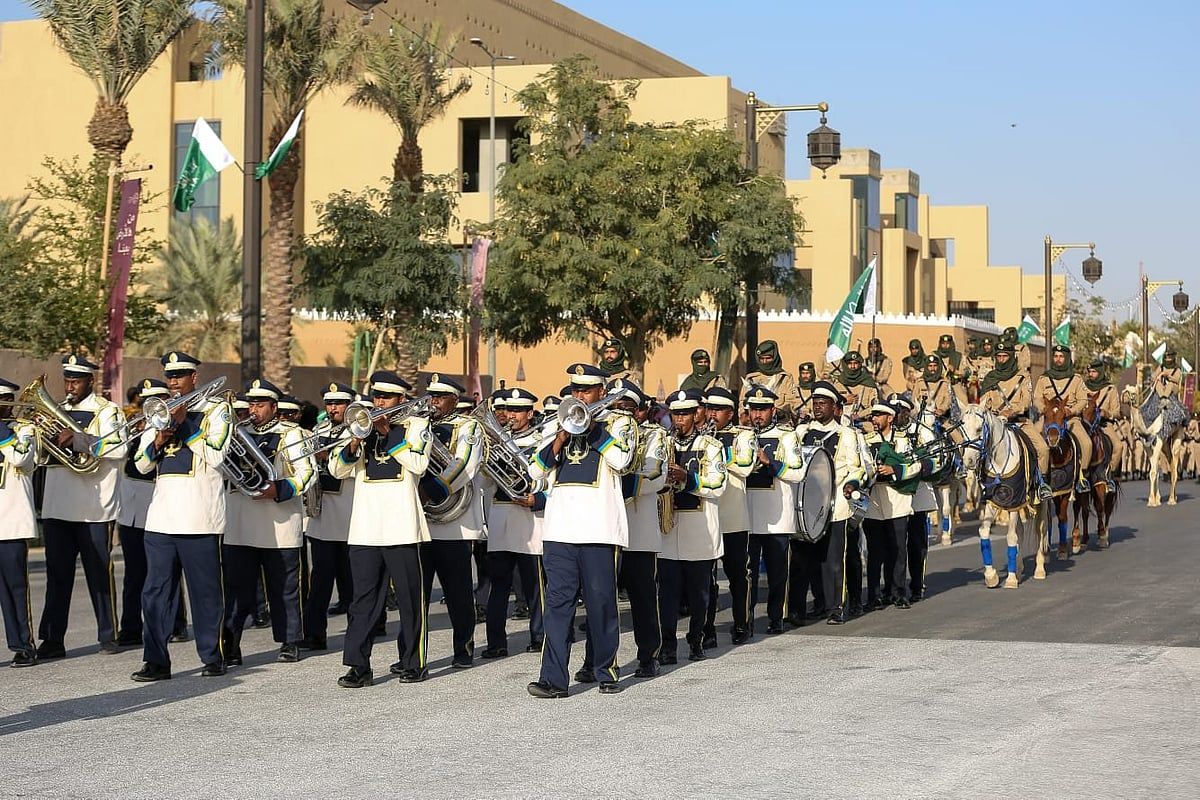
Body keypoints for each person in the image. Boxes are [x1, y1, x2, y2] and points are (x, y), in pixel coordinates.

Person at [527, 364, 637, 698]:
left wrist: (592, 430)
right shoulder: (556, 423)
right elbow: (535, 471)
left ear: (601, 392)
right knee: (557, 606)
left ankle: (606, 670)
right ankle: (553, 679)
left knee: (601, 603)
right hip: (559, 529)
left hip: (599, 529)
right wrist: (559, 439)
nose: (579, 396)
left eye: (586, 391)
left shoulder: (620, 423)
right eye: (575, 390)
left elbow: (623, 461)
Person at [130, 351, 233, 681]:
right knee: (154, 594)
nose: (173, 381)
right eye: (170, 376)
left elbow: (216, 456)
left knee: (205, 594)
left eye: (180, 375)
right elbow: (141, 464)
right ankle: (156, 660)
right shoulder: (159, 412)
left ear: (194, 378)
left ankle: (212, 656)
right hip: (161, 519)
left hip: (200, 517)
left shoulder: (217, 411)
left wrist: (185, 423)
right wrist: (159, 437)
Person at [331, 371, 431, 688]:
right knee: (362, 602)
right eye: (376, 397)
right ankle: (358, 665)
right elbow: (337, 469)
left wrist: (389, 434)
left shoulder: (417, 426)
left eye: (386, 398)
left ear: (401, 399)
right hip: (366, 527)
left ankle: (413, 662)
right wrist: (354, 442)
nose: (379, 402)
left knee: (410, 599)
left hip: (402, 526)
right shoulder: (359, 425)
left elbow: (419, 464)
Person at [221, 378, 316, 666]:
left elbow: (307, 473)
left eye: (260, 405)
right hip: (240, 523)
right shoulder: (235, 433)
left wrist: (280, 489)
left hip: (280, 523)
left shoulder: (292, 433)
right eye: (251, 404)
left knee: (284, 588)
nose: (254, 410)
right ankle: (230, 644)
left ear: (274, 407)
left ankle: (289, 641)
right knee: (236, 589)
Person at [37, 353, 126, 660]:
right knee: (56, 576)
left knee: (99, 574)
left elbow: (119, 447)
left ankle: (108, 634)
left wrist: (78, 440)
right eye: (67, 380)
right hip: (57, 505)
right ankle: (52, 639)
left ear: (91, 380)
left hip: (94, 509)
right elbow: (40, 457)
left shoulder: (107, 410)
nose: (70, 387)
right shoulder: (56, 409)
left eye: (76, 381)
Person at [116, 378, 188, 647]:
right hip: (131, 507)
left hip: (160, 502)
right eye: (145, 402)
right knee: (134, 572)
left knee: (167, 571)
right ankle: (131, 627)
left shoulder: (174, 428)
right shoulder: (136, 427)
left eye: (155, 401)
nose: (148, 407)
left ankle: (176, 624)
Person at [419, 374, 485, 670]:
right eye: (431, 397)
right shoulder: (417, 426)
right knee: (416, 596)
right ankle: (413, 655)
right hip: (421, 523)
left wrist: (431, 491)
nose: (433, 402)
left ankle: (463, 649)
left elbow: (465, 464)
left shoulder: (468, 426)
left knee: (458, 594)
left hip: (454, 524)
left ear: (454, 401)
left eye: (440, 397)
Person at [658, 389, 726, 664]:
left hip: (699, 532)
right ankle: (667, 646)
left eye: (685, 414)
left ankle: (697, 639)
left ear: (696, 414)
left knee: (699, 595)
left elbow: (718, 485)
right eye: (676, 414)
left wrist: (688, 478)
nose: (680, 420)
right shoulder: (662, 443)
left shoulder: (711, 446)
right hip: (668, 531)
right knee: (667, 595)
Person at [792, 382, 866, 625]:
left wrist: (852, 483)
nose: (817, 407)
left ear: (835, 407)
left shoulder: (846, 434)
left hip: (836, 505)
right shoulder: (802, 432)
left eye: (823, 403)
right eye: (815, 403)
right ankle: (816, 604)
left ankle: (837, 608)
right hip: (807, 505)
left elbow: (856, 468)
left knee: (833, 560)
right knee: (807, 561)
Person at [482, 388, 546, 659]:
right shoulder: (497, 440)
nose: (511, 415)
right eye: (509, 410)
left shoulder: (542, 439)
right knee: (498, 586)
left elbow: (549, 477)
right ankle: (496, 642)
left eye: (518, 411)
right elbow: (484, 482)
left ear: (529, 414)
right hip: (501, 517)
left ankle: (540, 636)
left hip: (530, 520)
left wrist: (538, 499)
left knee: (535, 585)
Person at [299, 382, 358, 651]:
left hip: (348, 514)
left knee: (355, 580)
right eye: (329, 404)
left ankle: (368, 626)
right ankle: (314, 633)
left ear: (349, 405)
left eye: (338, 403)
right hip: (322, 517)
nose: (333, 408)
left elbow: (354, 467)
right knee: (320, 580)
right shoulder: (319, 430)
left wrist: (329, 456)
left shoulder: (358, 430)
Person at [743, 386, 804, 635]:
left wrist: (772, 463)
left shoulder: (787, 437)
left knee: (778, 573)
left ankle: (776, 617)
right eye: (754, 410)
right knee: (747, 574)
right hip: (748, 516)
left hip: (777, 517)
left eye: (763, 410)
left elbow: (798, 472)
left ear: (773, 410)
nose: (758, 415)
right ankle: (745, 619)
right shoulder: (742, 436)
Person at [701, 387, 756, 644]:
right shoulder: (700, 436)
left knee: (738, 576)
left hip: (733, 518)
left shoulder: (743, 436)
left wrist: (717, 451)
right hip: (707, 517)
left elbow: (745, 466)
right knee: (706, 579)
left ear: (731, 413)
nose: (712, 414)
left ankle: (742, 623)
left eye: (719, 410)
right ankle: (707, 629)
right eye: (710, 409)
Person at [862, 402, 927, 609]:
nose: (874, 419)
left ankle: (899, 593)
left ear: (890, 418)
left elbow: (916, 465)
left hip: (897, 499)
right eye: (873, 415)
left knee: (898, 550)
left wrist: (895, 470)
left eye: (879, 415)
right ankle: (874, 596)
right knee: (875, 552)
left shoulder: (903, 440)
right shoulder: (866, 440)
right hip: (874, 500)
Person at [979, 343, 1051, 501]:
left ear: (1011, 357)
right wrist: (994, 413)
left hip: (1019, 423)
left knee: (1043, 449)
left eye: (1005, 356)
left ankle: (1042, 484)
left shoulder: (1023, 376)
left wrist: (1012, 411)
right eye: (999, 356)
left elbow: (1027, 400)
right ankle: (982, 484)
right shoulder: (990, 378)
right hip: (996, 424)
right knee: (976, 448)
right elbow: (984, 402)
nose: (1001, 359)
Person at [0, 379, 38, 667]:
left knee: (15, 589)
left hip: (11, 523)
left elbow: (20, 457)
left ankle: (23, 645)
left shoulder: (24, 430)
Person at [1034, 345, 1093, 493]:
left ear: (1066, 358)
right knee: (1031, 439)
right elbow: (1037, 398)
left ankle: (1082, 477)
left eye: (1061, 356)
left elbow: (1083, 400)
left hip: (1070, 419)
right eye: (1055, 356)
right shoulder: (1044, 378)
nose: (1058, 359)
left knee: (1087, 444)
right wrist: (1043, 409)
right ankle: (1034, 477)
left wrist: (1072, 410)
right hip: (1048, 419)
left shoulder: (1076, 379)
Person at [1084, 361, 1123, 490]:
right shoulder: (1082, 387)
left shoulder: (1110, 389)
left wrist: (1107, 413)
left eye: (1094, 372)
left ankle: (1110, 474)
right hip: (1085, 424)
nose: (1091, 374)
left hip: (1104, 424)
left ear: (1100, 372)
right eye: (1089, 372)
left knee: (1119, 446)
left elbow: (1117, 412)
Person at [745, 340, 799, 416]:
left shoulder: (785, 378)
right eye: (762, 359)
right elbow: (743, 403)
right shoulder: (751, 379)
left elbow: (791, 402)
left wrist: (776, 412)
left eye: (768, 358)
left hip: (780, 420)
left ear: (774, 358)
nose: (765, 362)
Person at [832, 351, 881, 425]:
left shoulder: (868, 383)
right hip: (840, 425)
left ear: (860, 364)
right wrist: (844, 401)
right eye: (850, 363)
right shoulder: (838, 384)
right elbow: (831, 405)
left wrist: (859, 415)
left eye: (855, 363)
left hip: (864, 424)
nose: (853, 366)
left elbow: (875, 405)